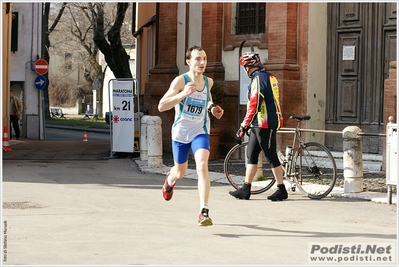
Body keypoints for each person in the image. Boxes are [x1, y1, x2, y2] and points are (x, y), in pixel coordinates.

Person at [158, 45, 224, 226]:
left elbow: (206, 99)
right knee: (180, 171)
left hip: (200, 131)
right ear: (188, 61)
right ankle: (169, 181)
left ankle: (204, 211)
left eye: (204, 58)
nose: (202, 62)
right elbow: (162, 106)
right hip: (181, 132)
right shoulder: (181, 81)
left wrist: (212, 108)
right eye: (197, 59)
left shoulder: (208, 82)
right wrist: (183, 94)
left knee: (202, 165)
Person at [229, 52, 287, 201]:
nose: (244, 70)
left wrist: (242, 126)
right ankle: (245, 189)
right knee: (252, 155)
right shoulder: (268, 76)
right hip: (258, 123)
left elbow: (254, 105)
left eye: (244, 67)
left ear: (248, 67)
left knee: (271, 156)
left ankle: (281, 189)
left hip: (265, 123)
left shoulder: (259, 79)